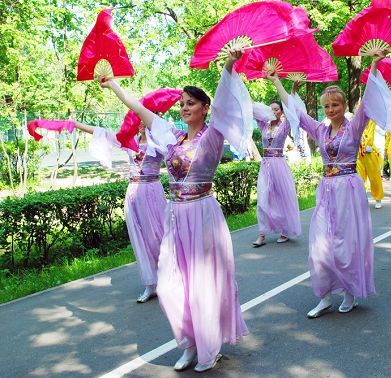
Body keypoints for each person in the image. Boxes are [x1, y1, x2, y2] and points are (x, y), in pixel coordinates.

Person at [99, 49, 249, 372]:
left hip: (203, 214)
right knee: (169, 284)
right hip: (176, 216)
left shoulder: (213, 137)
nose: (184, 108)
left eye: (190, 103)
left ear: (204, 108)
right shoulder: (173, 137)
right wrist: (114, 87)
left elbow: (224, 101)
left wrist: (227, 65)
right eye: (182, 104)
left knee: (202, 285)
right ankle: (189, 341)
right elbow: (141, 110)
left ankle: (206, 348)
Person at [267, 49, 391, 317]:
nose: (330, 109)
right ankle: (323, 295)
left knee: (346, 243)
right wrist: (277, 81)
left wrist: (374, 63)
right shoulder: (320, 130)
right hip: (326, 188)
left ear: (344, 105)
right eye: (326, 106)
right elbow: (296, 114)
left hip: (348, 187)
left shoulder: (355, 126)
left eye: (335, 104)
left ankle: (349, 291)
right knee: (319, 243)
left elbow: (368, 100)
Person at [73, 120, 166, 303]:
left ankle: (169, 278)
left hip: (152, 191)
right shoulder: (129, 140)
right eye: (137, 119)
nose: (140, 123)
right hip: (133, 193)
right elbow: (102, 133)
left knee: (158, 236)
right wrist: (76, 124)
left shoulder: (160, 141)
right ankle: (150, 284)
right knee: (139, 238)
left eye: (143, 118)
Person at [252, 100, 301, 247]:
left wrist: (292, 89)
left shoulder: (285, 125)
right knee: (263, 198)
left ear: (281, 111)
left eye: (276, 109)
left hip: (279, 164)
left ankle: (285, 230)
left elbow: (293, 109)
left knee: (282, 196)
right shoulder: (263, 125)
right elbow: (252, 109)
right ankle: (262, 234)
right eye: (271, 109)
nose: (273, 112)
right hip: (266, 165)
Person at [356, 119, 385, 208]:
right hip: (358, 153)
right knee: (359, 178)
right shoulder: (356, 123)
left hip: (370, 152)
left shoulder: (372, 122)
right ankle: (362, 199)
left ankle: (378, 198)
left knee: (374, 177)